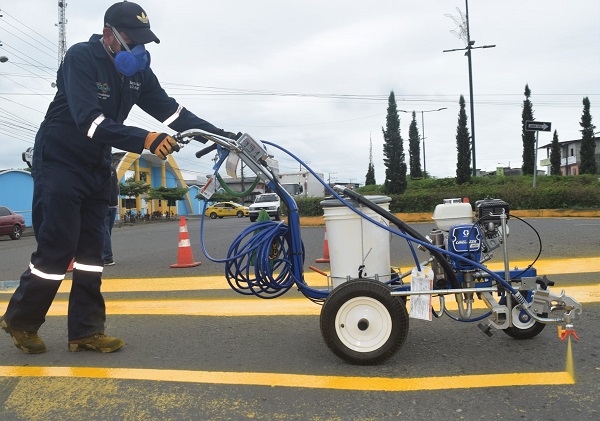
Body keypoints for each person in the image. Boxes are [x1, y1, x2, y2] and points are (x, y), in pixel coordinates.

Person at [0, 1, 238, 354]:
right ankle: (21, 321)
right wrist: (145, 140)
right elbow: (90, 122)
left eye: (144, 42)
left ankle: (85, 331)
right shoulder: (81, 58)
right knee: (57, 249)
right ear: (109, 35)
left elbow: (173, 113)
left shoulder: (137, 73)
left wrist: (223, 136)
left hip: (98, 166)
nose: (139, 50)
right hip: (60, 161)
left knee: (91, 254)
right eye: (133, 40)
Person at [102, 164, 119, 266]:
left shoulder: (99, 166)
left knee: (104, 232)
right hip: (113, 203)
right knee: (107, 231)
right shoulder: (112, 168)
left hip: (104, 203)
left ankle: (107, 257)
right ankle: (105, 254)